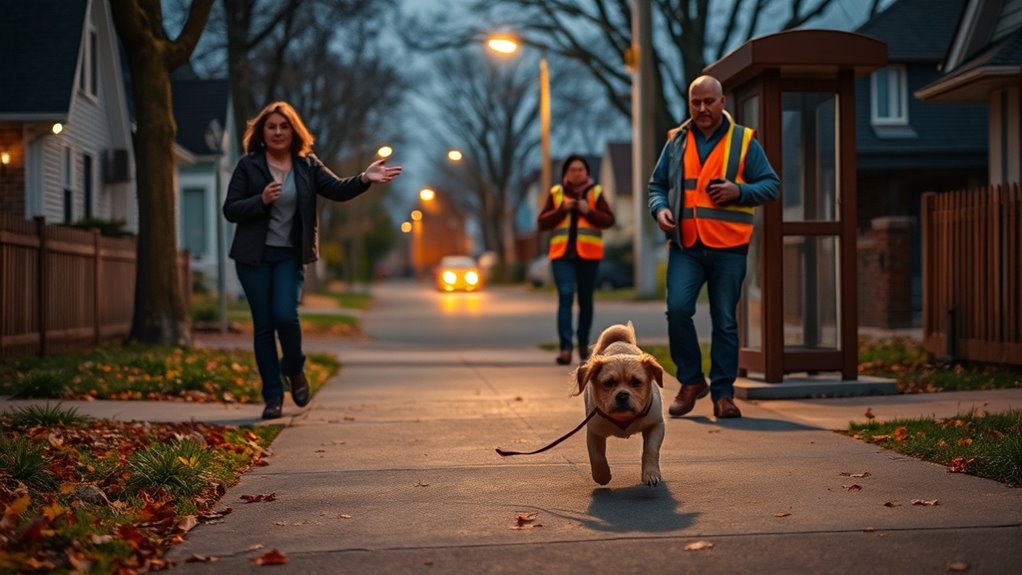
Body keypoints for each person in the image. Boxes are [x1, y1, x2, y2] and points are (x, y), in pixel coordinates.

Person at [223, 101, 402, 419]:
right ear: (262, 132)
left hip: (289, 256)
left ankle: (294, 369)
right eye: (272, 127)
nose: (278, 132)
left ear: (294, 131)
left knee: (285, 317)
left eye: (284, 126)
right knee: (263, 327)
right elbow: (231, 209)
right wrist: (260, 200)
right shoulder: (248, 166)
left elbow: (337, 189)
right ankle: (272, 397)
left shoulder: (307, 165)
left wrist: (364, 178)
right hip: (253, 258)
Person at [647, 75, 780, 419]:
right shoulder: (676, 141)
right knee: (677, 310)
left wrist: (740, 191)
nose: (702, 108)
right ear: (689, 103)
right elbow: (656, 185)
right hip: (686, 245)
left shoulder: (743, 140)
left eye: (709, 101)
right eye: (696, 102)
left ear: (723, 102)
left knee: (725, 321)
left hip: (729, 247)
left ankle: (724, 394)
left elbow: (771, 185)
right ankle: (691, 382)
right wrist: (659, 209)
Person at [537, 154, 615, 365]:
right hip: (562, 256)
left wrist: (589, 211)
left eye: (581, 169)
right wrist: (561, 210)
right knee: (565, 295)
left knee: (586, 300)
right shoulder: (556, 193)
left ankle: (582, 344)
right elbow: (542, 223)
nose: (577, 173)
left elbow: (609, 220)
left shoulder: (595, 192)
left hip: (588, 256)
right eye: (573, 169)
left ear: (587, 172)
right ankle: (565, 347)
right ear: (566, 173)